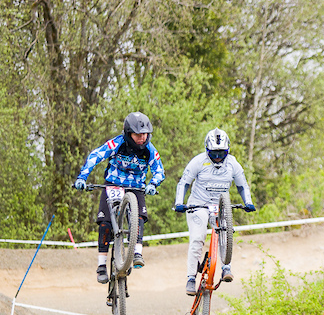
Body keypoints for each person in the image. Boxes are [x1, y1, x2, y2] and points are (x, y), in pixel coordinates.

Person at [74, 111, 164, 283]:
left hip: (136, 186)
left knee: (139, 217)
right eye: (138, 135)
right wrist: (82, 177)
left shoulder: (149, 150)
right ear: (128, 133)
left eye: (144, 134)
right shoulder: (117, 143)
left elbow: (159, 170)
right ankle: (101, 265)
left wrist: (153, 183)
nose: (142, 138)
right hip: (113, 184)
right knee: (105, 223)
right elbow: (96, 156)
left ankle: (137, 252)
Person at [173, 129, 256, 295]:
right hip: (198, 204)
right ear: (207, 150)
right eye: (214, 153)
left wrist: (248, 202)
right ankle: (190, 277)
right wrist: (179, 203)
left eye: (221, 153)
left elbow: (242, 186)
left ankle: (226, 267)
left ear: (228, 151)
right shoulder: (198, 161)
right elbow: (184, 183)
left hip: (220, 206)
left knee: (226, 231)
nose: (218, 157)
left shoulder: (233, 163)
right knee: (198, 237)